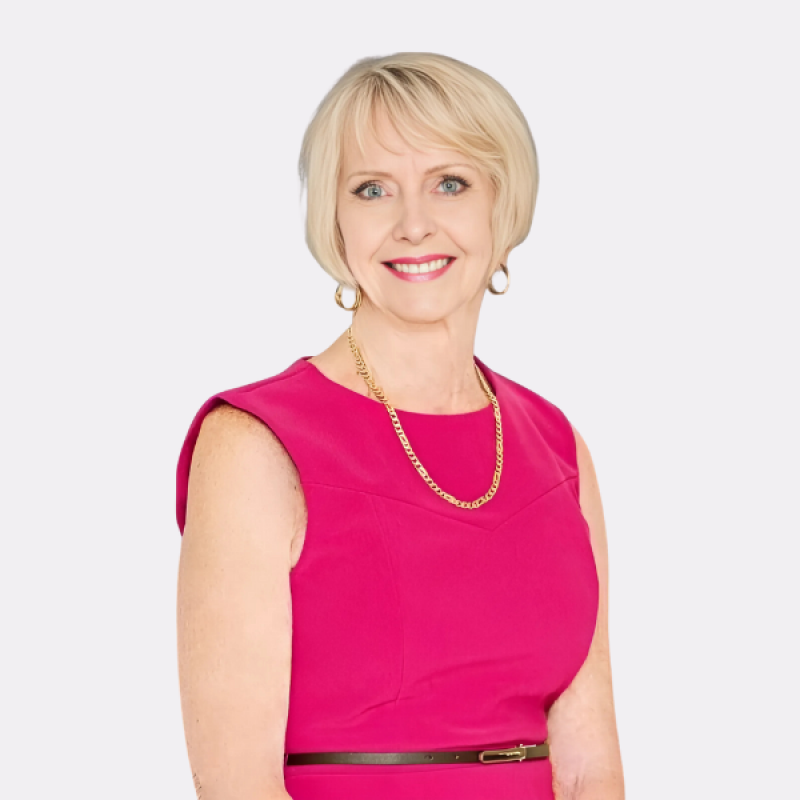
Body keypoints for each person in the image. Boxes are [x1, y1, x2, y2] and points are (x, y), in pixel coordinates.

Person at [175, 52, 624, 800]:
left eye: (450, 183)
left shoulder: (556, 448)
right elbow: (237, 787)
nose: (413, 225)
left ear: (503, 205)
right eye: (372, 189)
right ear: (335, 221)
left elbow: (589, 766)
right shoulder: (254, 446)